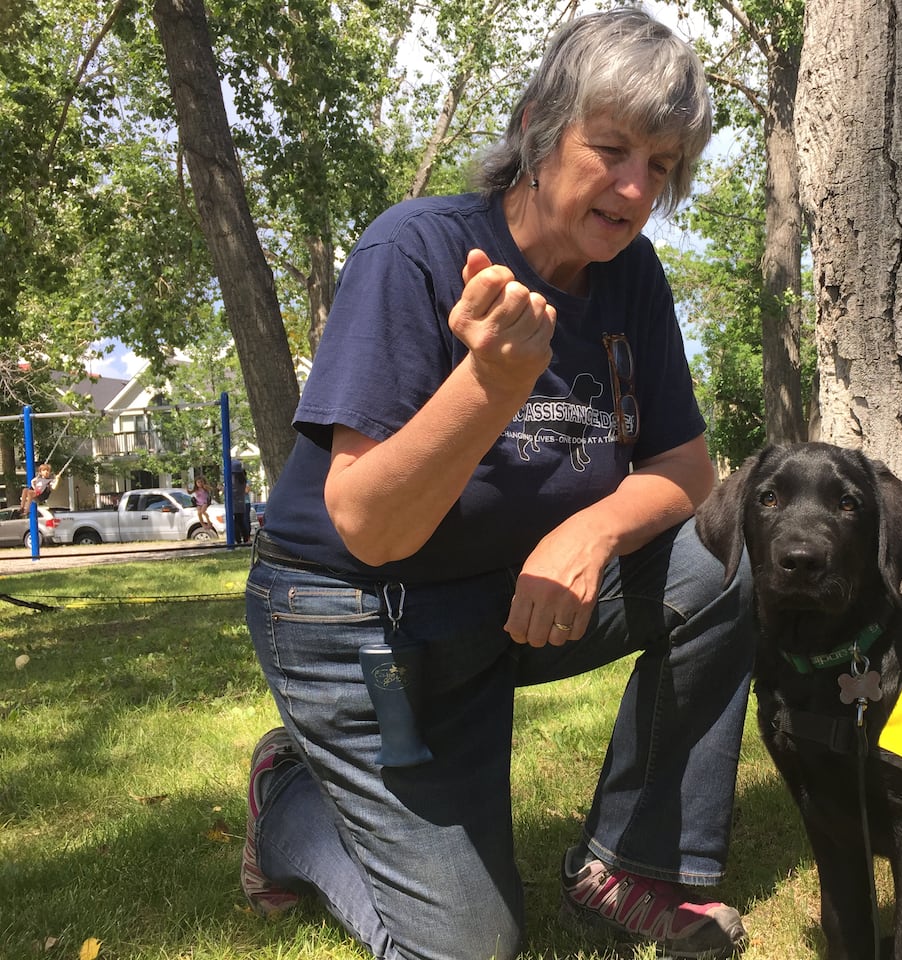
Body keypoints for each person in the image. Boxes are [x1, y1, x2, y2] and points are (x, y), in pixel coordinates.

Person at [240, 9, 755, 960]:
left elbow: (688, 471)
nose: (637, 187)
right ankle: (292, 805)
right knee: (471, 947)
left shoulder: (632, 276)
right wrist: (488, 381)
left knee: (724, 560)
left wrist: (591, 532)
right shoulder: (416, 251)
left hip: (498, 607)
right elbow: (369, 523)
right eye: (611, 148)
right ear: (535, 127)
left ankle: (628, 865)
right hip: (354, 622)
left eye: (665, 163)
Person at [230, 460, 251, 543]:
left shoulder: (234, 479)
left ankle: (238, 539)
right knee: (241, 521)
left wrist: (224, 489)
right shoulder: (243, 478)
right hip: (241, 502)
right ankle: (246, 538)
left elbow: (233, 490)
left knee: (235, 522)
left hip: (234, 502)